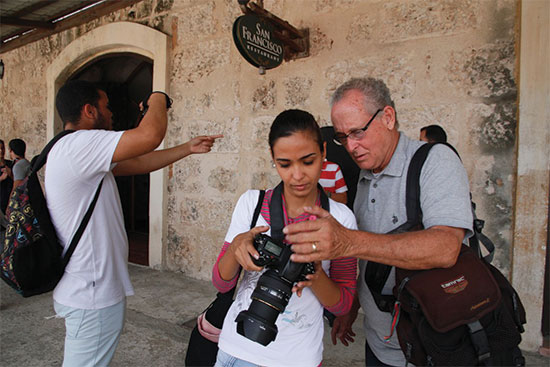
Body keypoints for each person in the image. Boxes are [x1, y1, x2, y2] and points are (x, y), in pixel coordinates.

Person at [283, 77, 473, 366]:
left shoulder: (435, 161)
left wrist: (348, 241)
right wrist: (351, 308)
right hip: (381, 344)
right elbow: (374, 260)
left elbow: (446, 247)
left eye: (358, 132)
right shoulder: (366, 174)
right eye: (342, 137)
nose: (350, 145)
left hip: (433, 348)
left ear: (387, 117)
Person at [47, 80, 222, 367]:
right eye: (106, 106)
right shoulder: (80, 145)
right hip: (90, 295)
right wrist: (158, 97)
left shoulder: (74, 151)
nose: (112, 113)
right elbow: (150, 135)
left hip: (87, 291)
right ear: (90, 110)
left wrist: (187, 148)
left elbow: (139, 162)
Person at [213, 109, 358, 367]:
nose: (298, 175)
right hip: (233, 346)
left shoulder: (340, 219)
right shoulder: (252, 204)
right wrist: (236, 248)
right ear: (273, 158)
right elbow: (222, 284)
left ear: (324, 151)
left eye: (308, 161)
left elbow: (343, 304)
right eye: (285, 164)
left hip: (294, 358)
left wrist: (311, 273)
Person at [0, 139, 13, 229]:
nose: (1, 151)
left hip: (9, 202)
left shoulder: (10, 164)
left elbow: (19, 181)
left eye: (2, 148)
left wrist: (10, 174)